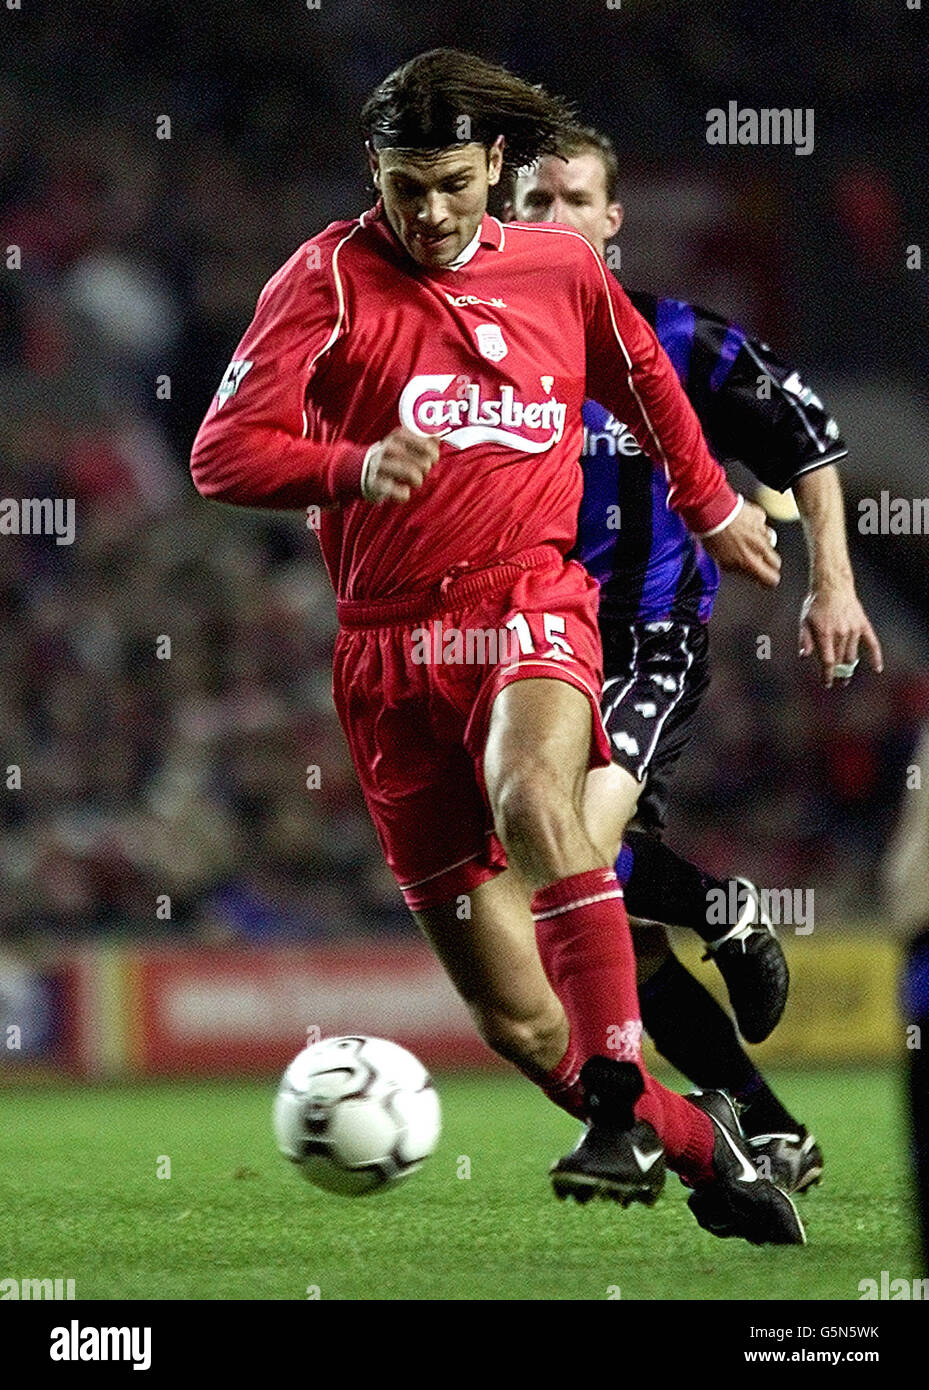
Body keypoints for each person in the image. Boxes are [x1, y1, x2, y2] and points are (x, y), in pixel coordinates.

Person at [191, 48, 802, 1244]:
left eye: (454, 184)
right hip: (382, 653)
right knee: (521, 1026)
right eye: (404, 185)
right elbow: (222, 453)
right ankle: (695, 1140)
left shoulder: (559, 270)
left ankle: (620, 1099)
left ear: (497, 169)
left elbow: (647, 390)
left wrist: (712, 503)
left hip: (523, 598)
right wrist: (350, 466)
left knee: (535, 796)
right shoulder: (324, 278)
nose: (427, 212)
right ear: (375, 170)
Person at [509, 124, 884, 1193]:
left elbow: (806, 437)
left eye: (569, 199)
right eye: (528, 203)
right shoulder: (483, 357)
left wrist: (834, 582)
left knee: (569, 851)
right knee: (604, 921)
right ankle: (770, 1127)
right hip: (529, 650)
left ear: (610, 221)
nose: (547, 220)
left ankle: (631, 1112)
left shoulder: (676, 339)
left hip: (644, 644)